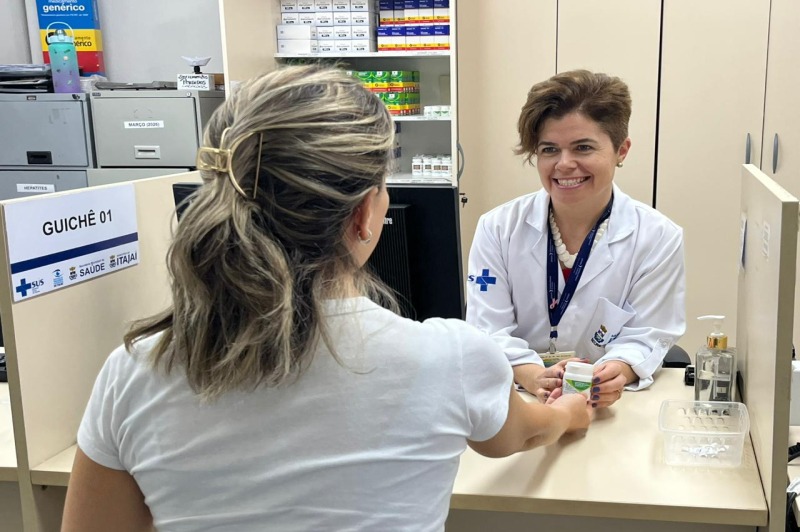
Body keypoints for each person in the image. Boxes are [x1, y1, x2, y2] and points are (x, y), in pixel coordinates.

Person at [62, 65, 592, 532]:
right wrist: (570, 412)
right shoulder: (450, 357)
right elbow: (523, 435)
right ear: (363, 216)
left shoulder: (134, 371)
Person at [466, 70, 686, 409]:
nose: (564, 164)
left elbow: (649, 334)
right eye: (549, 149)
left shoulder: (657, 237)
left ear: (621, 150)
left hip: (609, 406)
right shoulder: (498, 228)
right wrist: (533, 375)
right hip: (517, 401)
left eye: (583, 147)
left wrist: (619, 370)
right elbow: (487, 329)